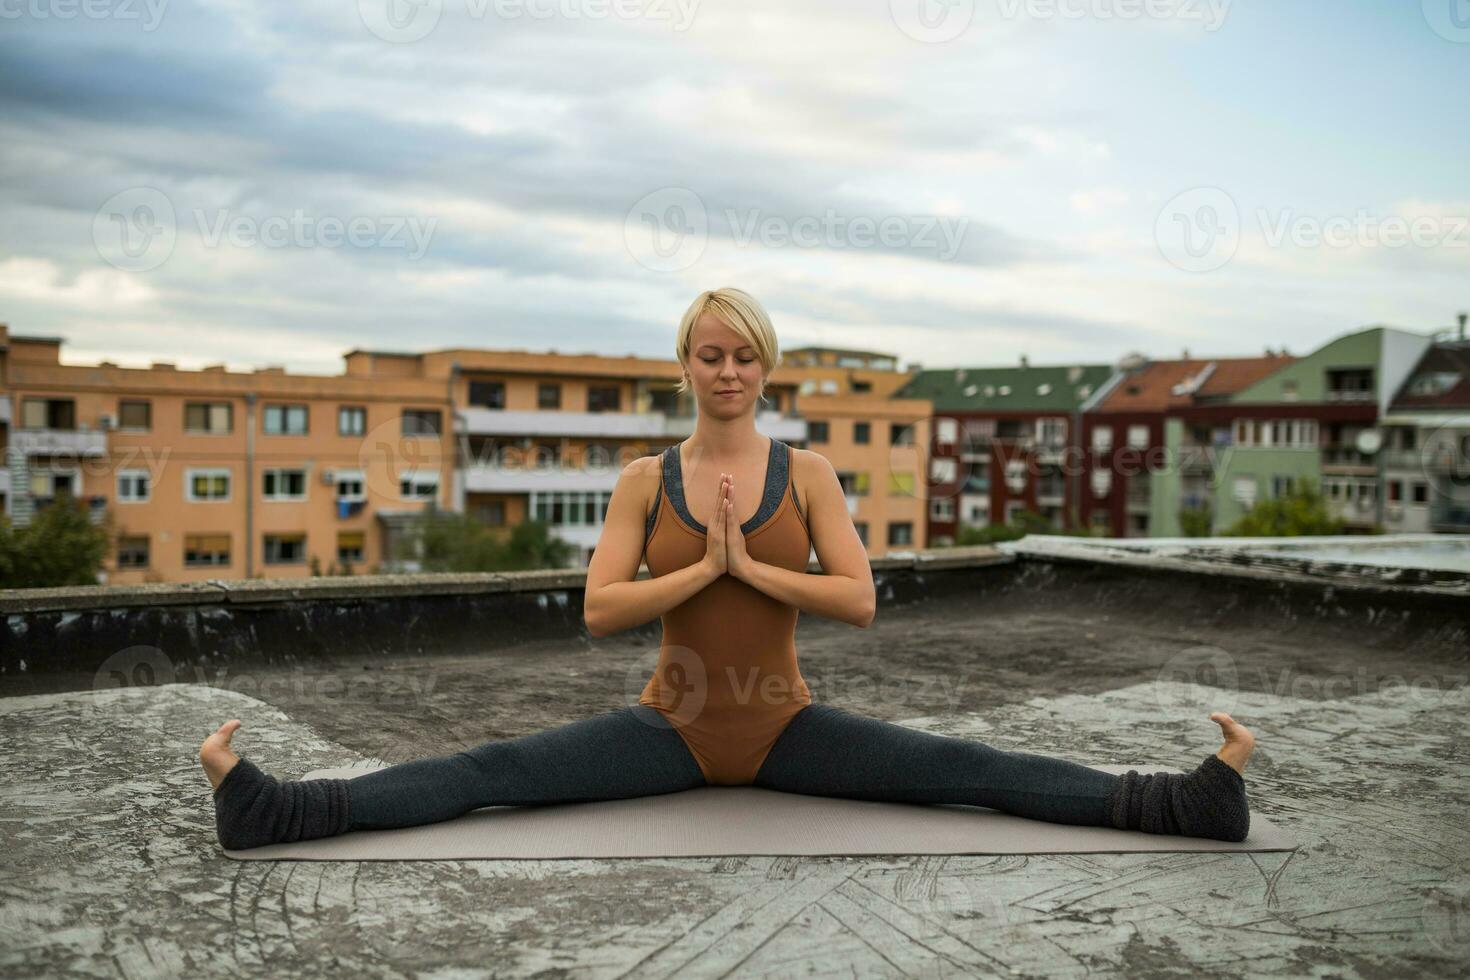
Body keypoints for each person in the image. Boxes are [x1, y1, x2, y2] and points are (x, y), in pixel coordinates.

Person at [201, 287, 1254, 850]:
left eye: (745, 353)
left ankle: (1185, 803)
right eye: (710, 353)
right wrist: (702, 569)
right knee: (492, 775)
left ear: (766, 364)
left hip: (790, 724)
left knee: (969, 770)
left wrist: (750, 563)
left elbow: (859, 601)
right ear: (686, 365)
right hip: (668, 725)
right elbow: (602, 611)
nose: (729, 369)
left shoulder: (810, 472)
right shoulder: (639, 479)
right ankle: (276, 809)